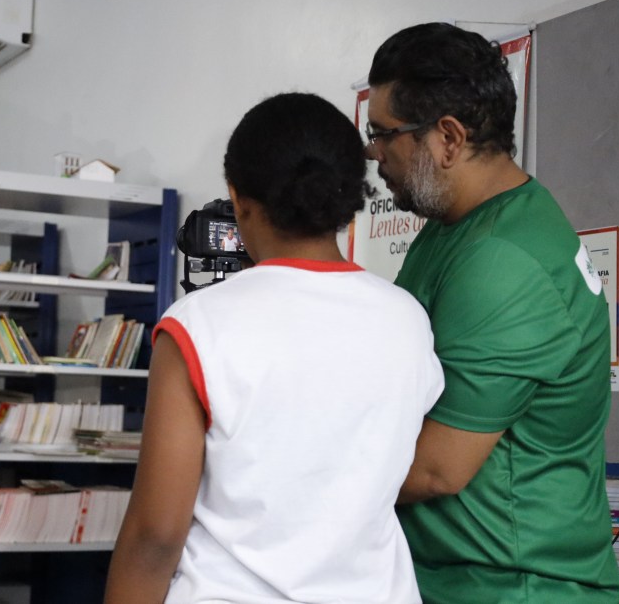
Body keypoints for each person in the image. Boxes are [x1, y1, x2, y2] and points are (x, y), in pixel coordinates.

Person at [104, 92, 444, 603]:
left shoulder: (199, 326)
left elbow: (156, 536)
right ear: (349, 196)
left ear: (238, 199)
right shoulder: (408, 320)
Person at [365, 22, 619, 603]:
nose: (375, 154)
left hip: (513, 586)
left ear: (448, 138)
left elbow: (438, 469)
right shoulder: (458, 227)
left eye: (383, 135)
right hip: (453, 576)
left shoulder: (504, 260)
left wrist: (296, 474)